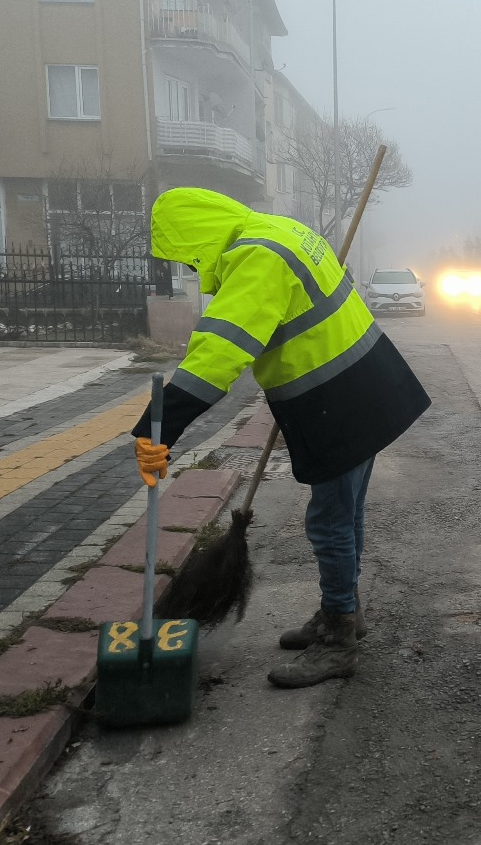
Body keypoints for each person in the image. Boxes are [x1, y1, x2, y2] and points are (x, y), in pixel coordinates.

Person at [132, 187, 430, 688]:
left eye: (185, 258)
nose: (189, 269)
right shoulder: (283, 231)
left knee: (330, 521)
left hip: (340, 400)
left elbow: (219, 353)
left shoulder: (255, 258)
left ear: (196, 238)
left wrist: (158, 427)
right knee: (346, 512)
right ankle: (345, 613)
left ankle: (337, 640)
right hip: (371, 386)